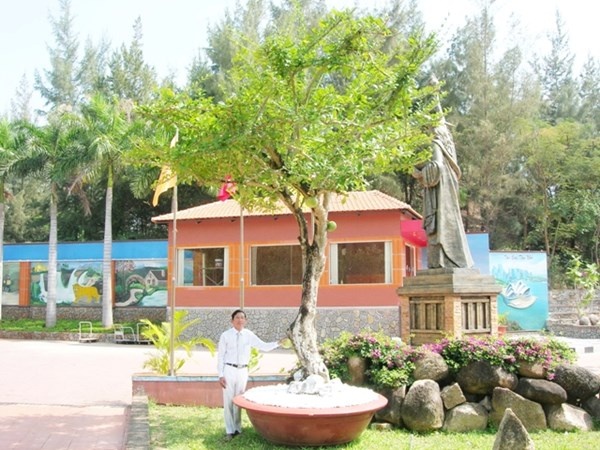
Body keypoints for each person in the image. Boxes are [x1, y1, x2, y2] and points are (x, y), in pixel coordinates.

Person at [413, 88, 474, 269]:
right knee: (450, 221)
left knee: (441, 225)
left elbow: (436, 167)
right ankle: (454, 259)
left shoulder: (436, 142)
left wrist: (417, 172)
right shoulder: (449, 145)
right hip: (449, 189)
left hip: (440, 192)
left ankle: (442, 261)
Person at [217, 309, 284, 441]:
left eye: (242, 317)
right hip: (229, 369)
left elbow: (263, 346)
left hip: (243, 371)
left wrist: (278, 343)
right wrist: (220, 375)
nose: (240, 320)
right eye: (237, 317)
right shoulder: (225, 335)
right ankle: (229, 431)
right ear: (232, 321)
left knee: (238, 399)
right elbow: (221, 356)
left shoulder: (248, 335)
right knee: (228, 401)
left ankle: (237, 428)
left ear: (245, 321)